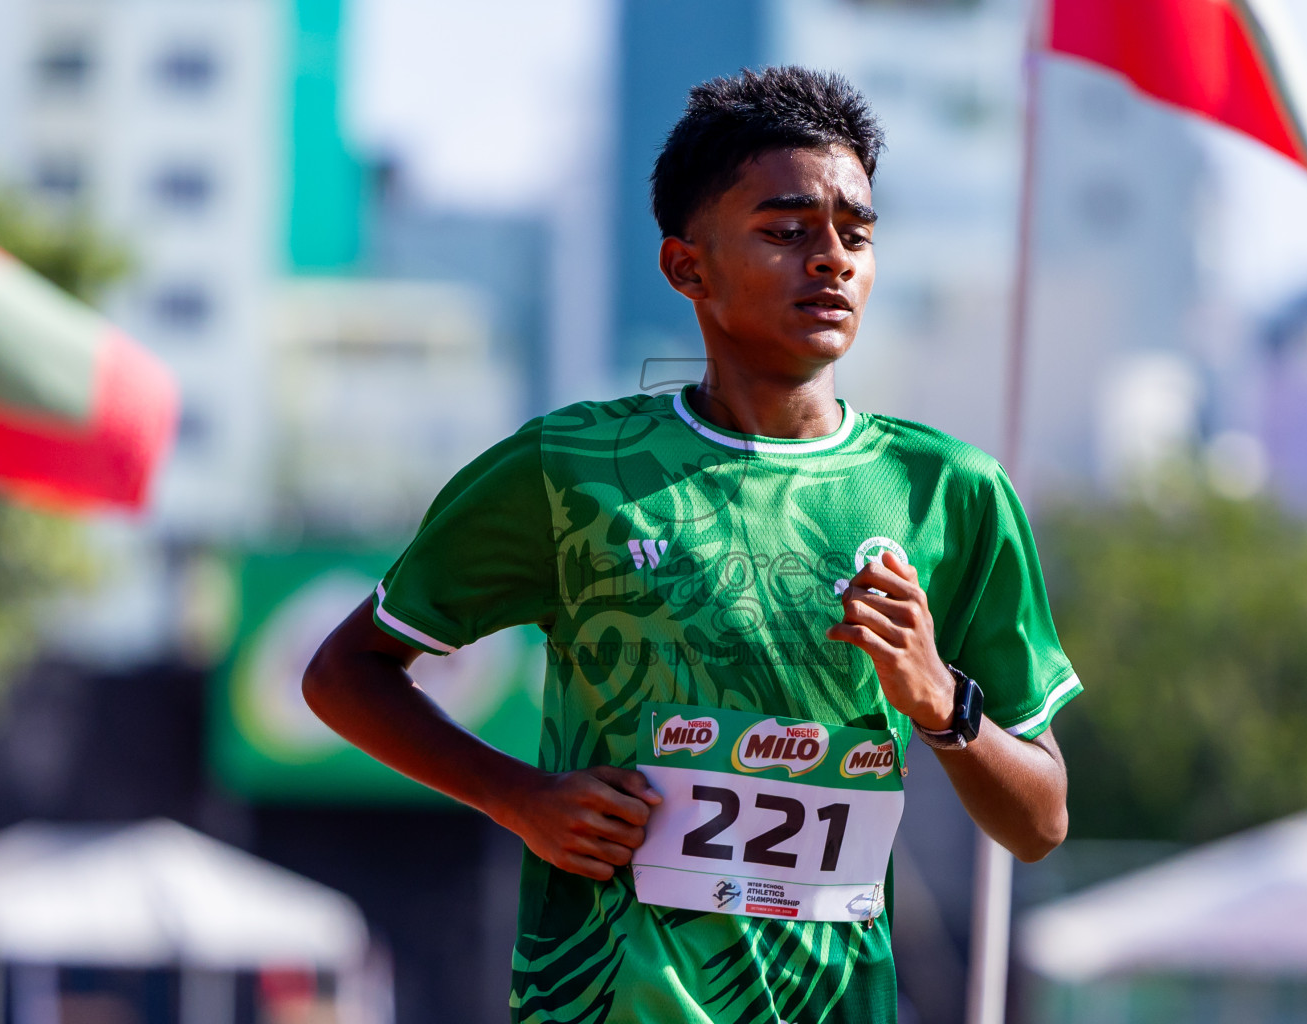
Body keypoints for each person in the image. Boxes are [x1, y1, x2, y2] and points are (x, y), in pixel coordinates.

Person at [304, 66, 1080, 1023]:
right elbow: (344, 675)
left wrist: (939, 703)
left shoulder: (952, 494)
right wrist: (521, 799)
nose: (833, 259)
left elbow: (1041, 821)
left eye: (857, 232)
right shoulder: (572, 467)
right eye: (787, 231)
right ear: (687, 267)